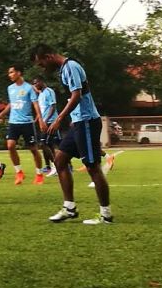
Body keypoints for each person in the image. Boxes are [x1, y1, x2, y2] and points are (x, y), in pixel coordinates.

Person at [31, 44, 112, 225]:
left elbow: (77, 95)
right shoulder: (64, 70)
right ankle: (69, 208)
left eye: (42, 64)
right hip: (78, 123)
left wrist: (59, 118)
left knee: (92, 167)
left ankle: (106, 215)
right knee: (60, 161)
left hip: (87, 122)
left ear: (49, 56)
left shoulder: (71, 67)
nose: (42, 68)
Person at [0, 65, 45, 185]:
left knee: (33, 149)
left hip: (27, 123)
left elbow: (35, 104)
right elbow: (11, 104)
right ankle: (19, 172)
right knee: (10, 145)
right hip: (13, 122)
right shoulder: (10, 88)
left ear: (19, 73)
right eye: (9, 73)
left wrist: (40, 120)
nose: (9, 75)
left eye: (11, 72)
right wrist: (0, 114)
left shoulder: (29, 88)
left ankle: (39, 174)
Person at [32, 75, 59, 176]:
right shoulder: (41, 94)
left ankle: (56, 166)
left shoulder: (49, 91)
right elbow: (42, 109)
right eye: (34, 84)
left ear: (41, 82)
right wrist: (37, 120)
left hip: (51, 122)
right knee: (47, 144)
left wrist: (46, 120)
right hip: (44, 123)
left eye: (36, 83)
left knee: (46, 143)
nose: (35, 85)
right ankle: (51, 166)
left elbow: (53, 106)